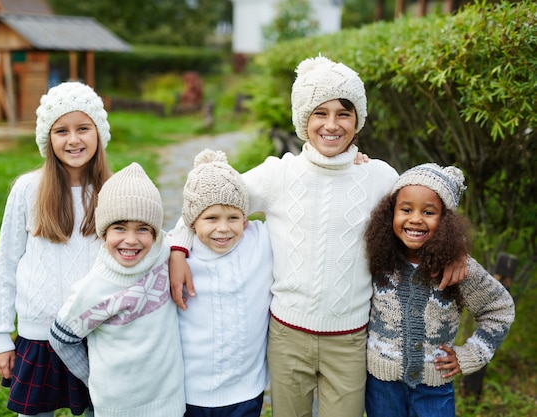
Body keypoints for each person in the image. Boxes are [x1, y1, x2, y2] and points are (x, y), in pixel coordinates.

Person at [169, 55, 467, 417]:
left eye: (343, 113)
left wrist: (456, 252)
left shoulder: (380, 177)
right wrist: (178, 249)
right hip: (286, 335)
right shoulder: (278, 174)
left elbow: (425, 213)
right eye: (319, 113)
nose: (332, 125)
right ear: (302, 119)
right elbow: (207, 198)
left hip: (351, 338)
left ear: (358, 120)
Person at [0, 81, 113, 417]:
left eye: (83, 128)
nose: (73, 139)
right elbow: (5, 265)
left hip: (96, 334)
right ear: (48, 139)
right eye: (62, 131)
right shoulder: (28, 190)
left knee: (98, 411)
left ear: (99, 133)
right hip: (38, 335)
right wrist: (1, 337)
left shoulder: (113, 191)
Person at [363, 163, 515, 417]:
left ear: (445, 221)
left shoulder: (460, 269)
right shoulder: (379, 259)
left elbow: (499, 309)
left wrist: (470, 355)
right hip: (382, 386)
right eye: (406, 209)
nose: (415, 219)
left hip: (435, 388)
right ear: (390, 213)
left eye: (429, 212)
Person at [49, 163, 185, 417]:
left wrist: (179, 252)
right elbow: (61, 337)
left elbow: (188, 225)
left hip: (169, 397)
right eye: (119, 228)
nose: (131, 240)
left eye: (143, 228)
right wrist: (92, 376)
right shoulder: (94, 288)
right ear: (104, 231)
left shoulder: (161, 252)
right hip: (118, 405)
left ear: (155, 233)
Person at [177, 149, 273, 417]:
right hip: (191, 391)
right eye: (211, 218)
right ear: (192, 222)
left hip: (246, 390)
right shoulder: (179, 255)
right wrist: (177, 248)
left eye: (233, 218)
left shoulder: (260, 241)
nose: (223, 228)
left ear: (245, 218)